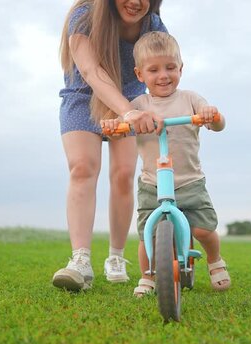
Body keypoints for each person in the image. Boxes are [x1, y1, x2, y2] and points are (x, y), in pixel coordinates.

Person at [102, 31, 231, 296]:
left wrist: (211, 114)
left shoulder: (191, 99)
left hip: (189, 181)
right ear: (140, 75)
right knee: (147, 232)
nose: (163, 75)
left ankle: (215, 260)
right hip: (153, 183)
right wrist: (114, 125)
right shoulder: (139, 105)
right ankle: (148, 276)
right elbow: (119, 128)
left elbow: (217, 124)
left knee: (203, 229)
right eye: (154, 70)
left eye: (170, 67)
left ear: (181, 69)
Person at [53, 0, 167, 291]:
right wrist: (126, 112)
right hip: (83, 94)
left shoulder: (151, 25)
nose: (136, 2)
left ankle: (116, 257)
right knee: (82, 168)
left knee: (123, 174)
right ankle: (80, 260)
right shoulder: (84, 17)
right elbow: (91, 72)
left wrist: (167, 107)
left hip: (130, 98)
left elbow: (163, 68)